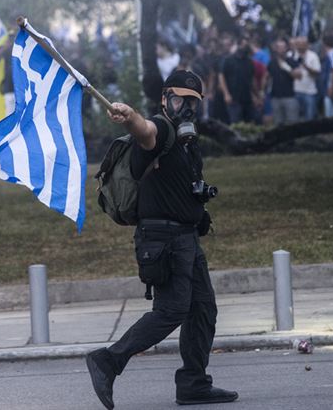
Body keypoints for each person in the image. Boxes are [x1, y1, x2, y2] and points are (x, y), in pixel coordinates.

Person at [87, 70, 237, 409]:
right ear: (166, 99)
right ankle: (108, 361)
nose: (186, 107)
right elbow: (145, 131)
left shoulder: (186, 142)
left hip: (185, 240)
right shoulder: (163, 127)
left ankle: (193, 384)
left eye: (193, 102)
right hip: (163, 241)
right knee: (171, 311)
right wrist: (130, 117)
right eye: (180, 98)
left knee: (202, 309)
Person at [217, 37, 258, 124]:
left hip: (247, 98)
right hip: (233, 98)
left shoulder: (249, 62)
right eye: (243, 45)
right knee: (235, 123)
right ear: (238, 45)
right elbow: (221, 76)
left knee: (249, 123)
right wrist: (226, 94)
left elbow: (251, 80)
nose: (245, 47)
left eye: (246, 45)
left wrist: (255, 95)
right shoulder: (228, 60)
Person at [267, 38, 300, 125]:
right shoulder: (272, 62)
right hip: (275, 97)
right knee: (278, 123)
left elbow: (298, 76)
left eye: (283, 47)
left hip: (290, 96)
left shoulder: (292, 61)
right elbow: (267, 77)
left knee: (292, 123)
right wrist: (262, 91)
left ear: (286, 48)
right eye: (278, 47)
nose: (281, 49)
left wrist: (286, 68)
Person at [291, 36, 321, 121]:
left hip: (309, 92)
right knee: (296, 118)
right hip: (295, 91)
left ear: (307, 45)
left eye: (302, 44)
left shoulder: (313, 56)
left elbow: (317, 72)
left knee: (309, 118)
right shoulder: (291, 55)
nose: (300, 46)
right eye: (298, 44)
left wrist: (306, 67)